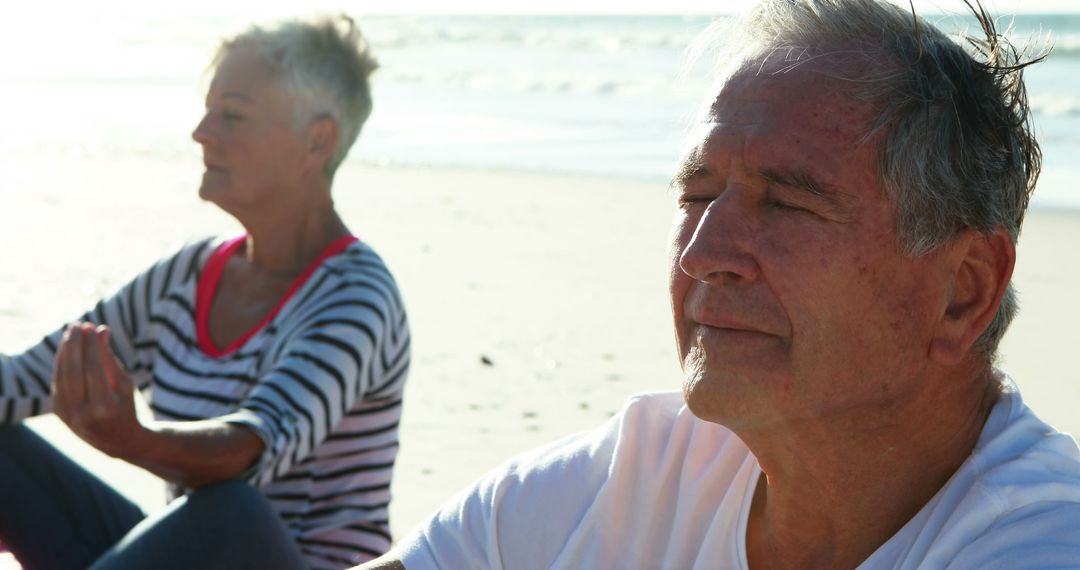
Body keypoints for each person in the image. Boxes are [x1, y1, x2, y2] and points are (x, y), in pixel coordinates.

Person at [359, 1, 1080, 569]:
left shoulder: (1039, 541)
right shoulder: (644, 474)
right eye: (697, 196)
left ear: (963, 293)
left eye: (789, 203)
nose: (703, 253)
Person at [0, 14, 410, 570]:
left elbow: (250, 449)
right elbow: (24, 380)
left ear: (317, 142)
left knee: (230, 511)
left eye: (233, 115)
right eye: (208, 109)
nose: (201, 132)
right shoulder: (189, 273)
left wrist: (134, 439)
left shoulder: (357, 294)